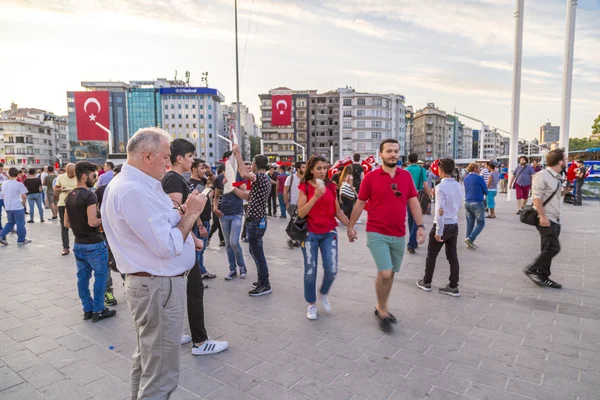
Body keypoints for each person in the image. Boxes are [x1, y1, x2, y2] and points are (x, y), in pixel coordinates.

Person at [102, 128, 220, 399]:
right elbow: (166, 246)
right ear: (147, 156)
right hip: (158, 287)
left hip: (153, 284)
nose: (169, 164)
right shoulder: (133, 190)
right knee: (161, 373)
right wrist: (191, 213)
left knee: (148, 360)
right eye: (166, 157)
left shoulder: (137, 185)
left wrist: (183, 222)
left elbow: (162, 226)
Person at [347, 140, 425, 332]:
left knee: (390, 275)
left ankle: (381, 305)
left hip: (399, 233)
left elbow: (414, 202)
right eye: (389, 151)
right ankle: (382, 309)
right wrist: (350, 226)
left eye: (396, 151)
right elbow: (359, 203)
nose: (393, 154)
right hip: (376, 232)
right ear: (380, 154)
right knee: (385, 272)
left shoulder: (406, 176)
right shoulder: (371, 178)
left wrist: (421, 226)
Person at [161, 139, 228, 355]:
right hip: (180, 244)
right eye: (190, 156)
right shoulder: (174, 180)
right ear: (179, 158)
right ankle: (200, 342)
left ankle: (171, 333)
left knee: (179, 291)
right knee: (194, 289)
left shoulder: (174, 179)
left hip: (182, 242)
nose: (192, 160)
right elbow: (177, 216)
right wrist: (193, 237)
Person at [297, 155, 354, 320]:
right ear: (312, 170)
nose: (322, 171)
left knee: (331, 269)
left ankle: (323, 293)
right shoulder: (304, 187)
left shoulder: (331, 186)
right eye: (319, 168)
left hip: (329, 233)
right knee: (310, 271)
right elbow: (301, 213)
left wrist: (350, 227)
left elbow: (337, 211)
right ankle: (311, 303)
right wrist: (315, 196)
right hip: (310, 234)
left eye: (324, 168)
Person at [63, 161, 116, 322]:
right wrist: (106, 217)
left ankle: (87, 309)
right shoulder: (90, 195)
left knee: (82, 279)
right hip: (94, 244)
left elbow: (66, 223)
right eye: (94, 175)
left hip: (78, 244)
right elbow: (93, 222)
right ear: (85, 175)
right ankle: (99, 310)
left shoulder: (69, 195)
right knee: (100, 278)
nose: (95, 178)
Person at [523, 148, 570, 289]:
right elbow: (536, 197)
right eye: (566, 159)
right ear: (560, 161)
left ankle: (543, 275)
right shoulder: (541, 175)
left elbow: (552, 195)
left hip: (554, 217)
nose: (567, 161)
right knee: (554, 247)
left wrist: (564, 192)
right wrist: (542, 216)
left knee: (547, 247)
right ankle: (532, 269)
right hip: (545, 217)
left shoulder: (557, 176)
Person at [231, 144, 274, 296]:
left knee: (257, 252)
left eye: (253, 163)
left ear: (255, 164)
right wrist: (232, 187)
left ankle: (265, 283)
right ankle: (262, 279)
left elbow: (243, 173)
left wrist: (237, 153)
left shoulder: (260, 177)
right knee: (255, 250)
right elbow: (247, 196)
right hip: (256, 220)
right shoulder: (263, 179)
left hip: (256, 220)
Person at [417, 159, 463, 296]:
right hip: (454, 224)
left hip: (442, 224)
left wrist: (439, 231)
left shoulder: (440, 187)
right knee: (452, 256)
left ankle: (427, 281)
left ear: (441, 171)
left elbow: (440, 210)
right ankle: (454, 285)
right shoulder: (458, 185)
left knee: (432, 254)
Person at [214, 152, 248, 280]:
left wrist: (231, 185)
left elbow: (245, 195)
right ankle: (232, 269)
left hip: (237, 214)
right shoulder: (219, 178)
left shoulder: (240, 176)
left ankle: (242, 267)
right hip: (224, 214)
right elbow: (216, 196)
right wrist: (215, 208)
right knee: (228, 244)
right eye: (227, 160)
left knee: (234, 242)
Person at [95, 164, 122, 308]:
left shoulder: (130, 191)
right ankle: (108, 292)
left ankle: (130, 285)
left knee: (125, 261)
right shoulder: (102, 190)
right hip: (104, 234)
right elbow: (95, 210)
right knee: (105, 264)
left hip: (123, 235)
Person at [189, 158, 217, 278]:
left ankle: (201, 271)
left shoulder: (202, 182)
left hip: (205, 220)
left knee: (201, 249)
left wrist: (210, 172)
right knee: (198, 250)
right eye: (202, 168)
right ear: (194, 169)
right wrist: (200, 226)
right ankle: (197, 276)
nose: (204, 170)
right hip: (199, 223)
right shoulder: (195, 185)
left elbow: (214, 182)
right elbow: (193, 209)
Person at [405, 153, 430, 254]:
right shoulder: (421, 169)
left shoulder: (405, 170)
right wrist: (428, 196)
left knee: (411, 219)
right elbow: (425, 184)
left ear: (408, 160)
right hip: (418, 197)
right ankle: (411, 243)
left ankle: (413, 242)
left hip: (408, 197)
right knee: (417, 220)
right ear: (417, 160)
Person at [0, 167, 30, 245]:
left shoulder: (4, 183)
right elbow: (24, 196)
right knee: (20, 223)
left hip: (8, 206)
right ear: (17, 174)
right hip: (17, 206)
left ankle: (1, 235)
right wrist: (23, 203)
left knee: (10, 222)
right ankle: (21, 240)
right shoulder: (19, 184)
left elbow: (3, 194)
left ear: (9, 174)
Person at [55, 163, 77, 255]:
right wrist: (61, 189)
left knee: (77, 225)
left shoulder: (79, 176)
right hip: (63, 203)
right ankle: (65, 247)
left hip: (76, 203)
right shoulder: (60, 177)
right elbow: (55, 188)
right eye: (68, 173)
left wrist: (73, 190)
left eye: (72, 173)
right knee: (64, 226)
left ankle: (78, 245)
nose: (70, 175)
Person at [463, 163, 487, 249]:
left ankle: (469, 242)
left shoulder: (465, 178)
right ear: (475, 169)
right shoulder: (479, 178)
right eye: (479, 168)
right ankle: (470, 238)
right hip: (477, 202)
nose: (480, 169)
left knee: (470, 224)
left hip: (467, 202)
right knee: (481, 222)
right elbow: (485, 190)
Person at [284, 161, 307, 248]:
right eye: (303, 167)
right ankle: (295, 239)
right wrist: (287, 204)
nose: (305, 169)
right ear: (298, 169)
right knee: (295, 222)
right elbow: (285, 191)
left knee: (300, 223)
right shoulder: (291, 178)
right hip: (293, 204)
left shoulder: (306, 179)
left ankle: (295, 239)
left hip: (304, 204)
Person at [208, 164, 226, 247]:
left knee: (219, 224)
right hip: (216, 205)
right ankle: (209, 237)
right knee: (216, 223)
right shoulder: (218, 180)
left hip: (223, 205)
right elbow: (214, 194)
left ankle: (222, 240)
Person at [0, 163, 8, 230]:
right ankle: (0, 228)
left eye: (2, 169)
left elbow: (11, 181)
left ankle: (10, 227)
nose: (1, 170)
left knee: (9, 213)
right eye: (0, 169)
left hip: (5, 197)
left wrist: (7, 175)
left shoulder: (4, 175)